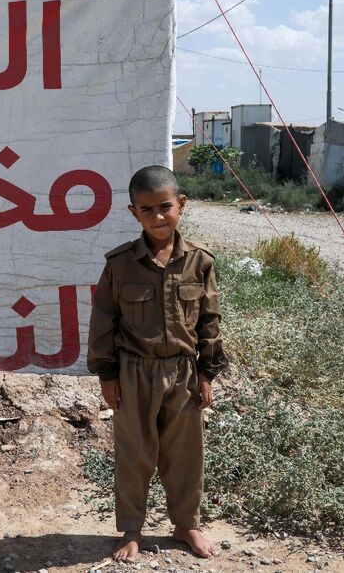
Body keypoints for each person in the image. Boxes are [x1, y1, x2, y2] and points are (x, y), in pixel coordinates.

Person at [87, 165, 227, 562]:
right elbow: (103, 322)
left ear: (181, 205)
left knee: (185, 454)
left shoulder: (199, 262)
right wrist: (107, 375)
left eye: (165, 206)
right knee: (135, 453)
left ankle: (186, 524)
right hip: (134, 372)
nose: (157, 216)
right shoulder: (120, 265)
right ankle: (132, 530)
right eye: (146, 210)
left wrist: (207, 373)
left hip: (182, 372)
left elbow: (209, 321)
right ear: (134, 213)